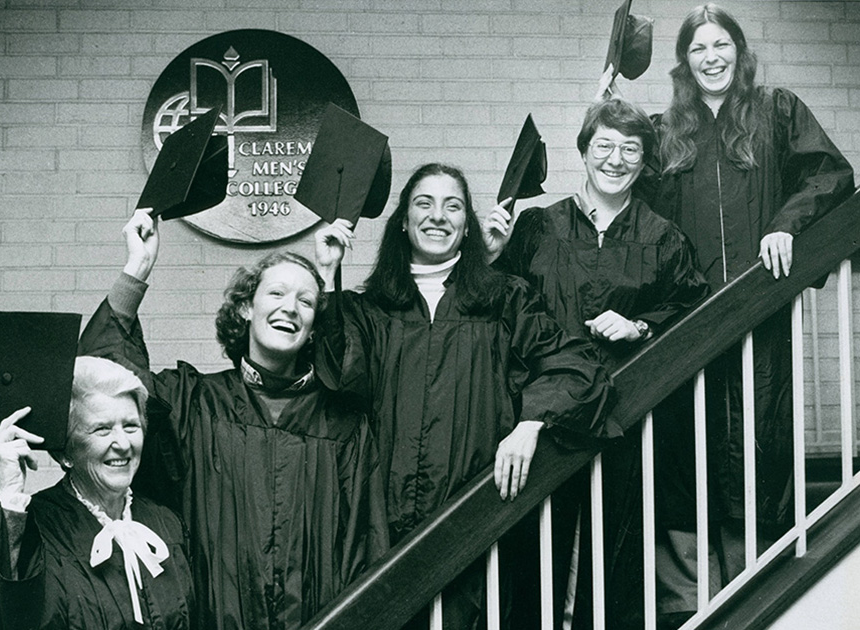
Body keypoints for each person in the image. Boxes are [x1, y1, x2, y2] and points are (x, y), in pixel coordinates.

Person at [624, 4, 855, 627]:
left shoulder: (776, 112)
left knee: (759, 447)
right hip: (686, 327)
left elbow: (833, 173)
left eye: (721, 44)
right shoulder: (664, 131)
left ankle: (759, 592)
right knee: (684, 456)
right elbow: (622, 204)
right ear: (683, 61)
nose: (711, 57)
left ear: (739, 51)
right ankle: (686, 608)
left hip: (760, 323)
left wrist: (786, 224)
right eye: (698, 48)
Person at [314, 162, 614, 629]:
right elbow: (337, 375)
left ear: (467, 225)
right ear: (402, 221)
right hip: (385, 535)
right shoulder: (371, 309)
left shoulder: (505, 300)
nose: (438, 216)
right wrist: (327, 271)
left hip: (478, 529)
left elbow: (577, 366)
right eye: (424, 203)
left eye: (452, 205)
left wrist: (531, 421)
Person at [77, 210, 389, 630]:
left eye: (306, 301)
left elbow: (367, 552)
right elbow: (107, 385)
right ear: (245, 307)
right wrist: (137, 269)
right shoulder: (194, 404)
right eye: (276, 293)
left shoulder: (344, 428)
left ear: (315, 327)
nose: (290, 308)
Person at [483, 97, 709, 630]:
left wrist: (641, 326)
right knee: (533, 560)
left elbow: (694, 312)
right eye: (604, 145)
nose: (616, 158)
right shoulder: (536, 228)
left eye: (631, 149)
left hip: (624, 422)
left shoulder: (664, 238)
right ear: (583, 152)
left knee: (616, 563)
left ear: (644, 161)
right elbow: (492, 314)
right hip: (540, 420)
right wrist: (490, 256)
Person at [0, 356, 195, 629]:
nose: (122, 443)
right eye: (102, 429)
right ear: (65, 453)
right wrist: (10, 497)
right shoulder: (31, 529)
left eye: (131, 426)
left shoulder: (165, 524)